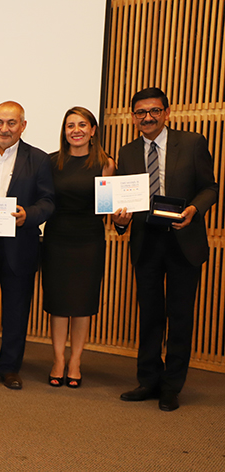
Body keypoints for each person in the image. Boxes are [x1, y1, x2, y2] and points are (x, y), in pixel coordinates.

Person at [113, 87, 217, 411]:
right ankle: (148, 380)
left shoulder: (193, 143)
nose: (148, 117)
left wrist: (194, 210)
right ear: (133, 117)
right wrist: (119, 221)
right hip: (146, 242)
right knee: (150, 315)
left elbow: (210, 187)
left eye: (154, 111)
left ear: (167, 113)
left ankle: (172, 386)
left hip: (183, 241)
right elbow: (122, 201)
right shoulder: (127, 152)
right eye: (140, 112)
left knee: (180, 316)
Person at [0, 101, 55, 390]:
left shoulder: (39, 159)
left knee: (16, 310)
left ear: (23, 126)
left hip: (19, 245)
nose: (4, 129)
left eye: (11, 123)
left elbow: (48, 201)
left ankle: (9, 367)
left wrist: (29, 215)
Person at [42, 107, 115, 388]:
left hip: (89, 240)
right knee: (59, 303)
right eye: (70, 125)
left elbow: (106, 208)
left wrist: (121, 216)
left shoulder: (106, 164)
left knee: (82, 303)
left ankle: (76, 361)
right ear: (64, 131)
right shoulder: (51, 162)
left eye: (82, 125)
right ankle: (58, 359)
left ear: (93, 130)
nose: (76, 130)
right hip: (57, 239)